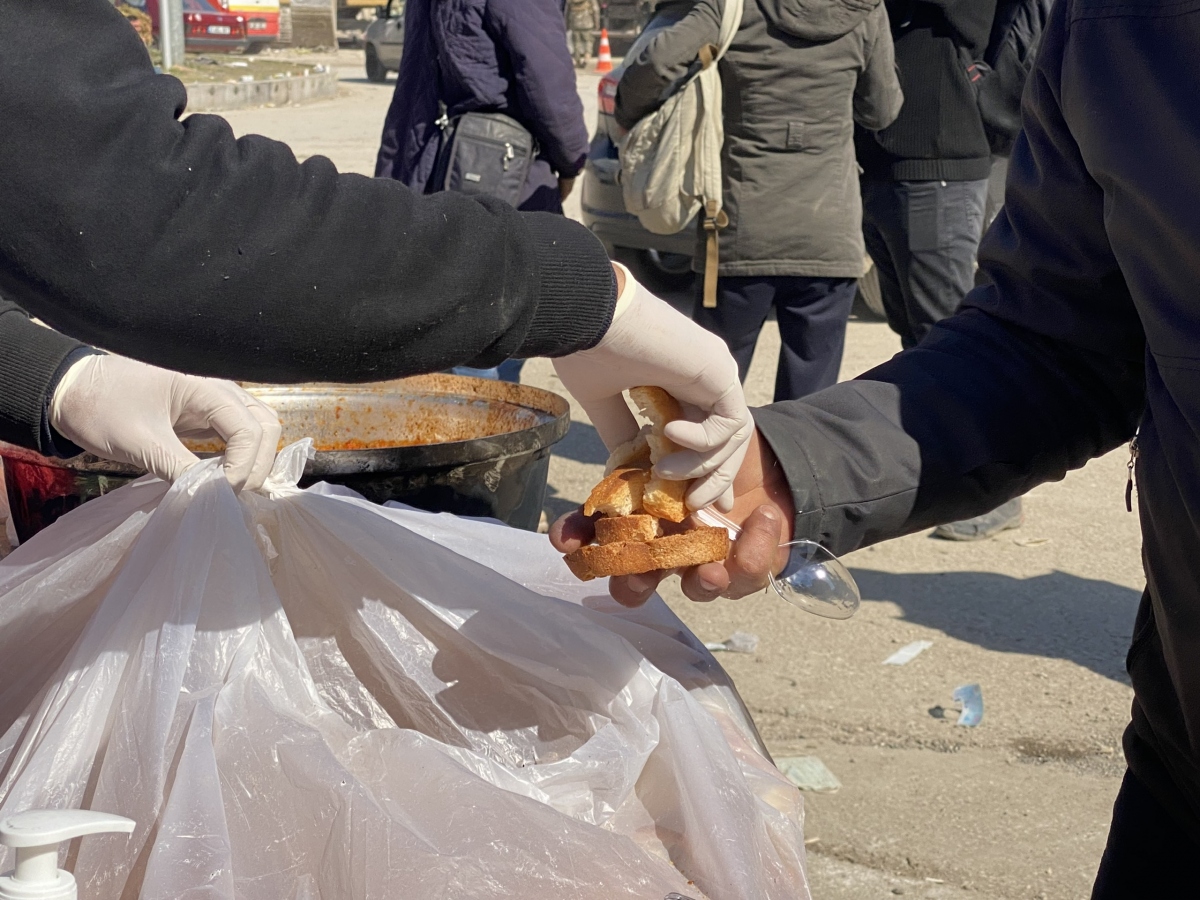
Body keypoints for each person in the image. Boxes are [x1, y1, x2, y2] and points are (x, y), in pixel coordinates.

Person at [556, 0, 1200, 892]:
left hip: (744, 225)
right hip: (1187, 754)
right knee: (786, 373)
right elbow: (1059, 338)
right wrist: (785, 467)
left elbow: (643, 81)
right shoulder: (1125, 25)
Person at [0, 0, 752, 512]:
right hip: (497, 171)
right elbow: (138, 203)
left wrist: (47, 376)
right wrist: (577, 288)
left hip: (435, 164)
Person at [614, 0, 902, 402]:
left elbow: (658, 61)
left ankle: (704, 464)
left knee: (709, 393)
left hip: (740, 229)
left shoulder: (733, 5)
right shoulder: (864, 9)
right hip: (829, 231)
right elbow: (882, 110)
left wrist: (627, 114)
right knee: (808, 403)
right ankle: (790, 464)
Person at [854, 0, 1024, 540]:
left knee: (953, 341)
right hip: (884, 163)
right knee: (917, 341)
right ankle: (945, 474)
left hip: (941, 161)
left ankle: (996, 492)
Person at [374, 0, 591, 383]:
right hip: (502, 174)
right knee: (492, 339)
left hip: (435, 171)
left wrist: (393, 180)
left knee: (452, 331)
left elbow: (411, 89)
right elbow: (547, 81)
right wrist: (571, 158)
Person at [567, 0, 601, 67]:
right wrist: (597, 24)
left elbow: (567, 12)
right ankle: (586, 58)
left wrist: (567, 24)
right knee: (588, 41)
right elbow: (595, 10)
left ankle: (577, 60)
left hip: (574, 23)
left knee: (576, 42)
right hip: (587, 23)